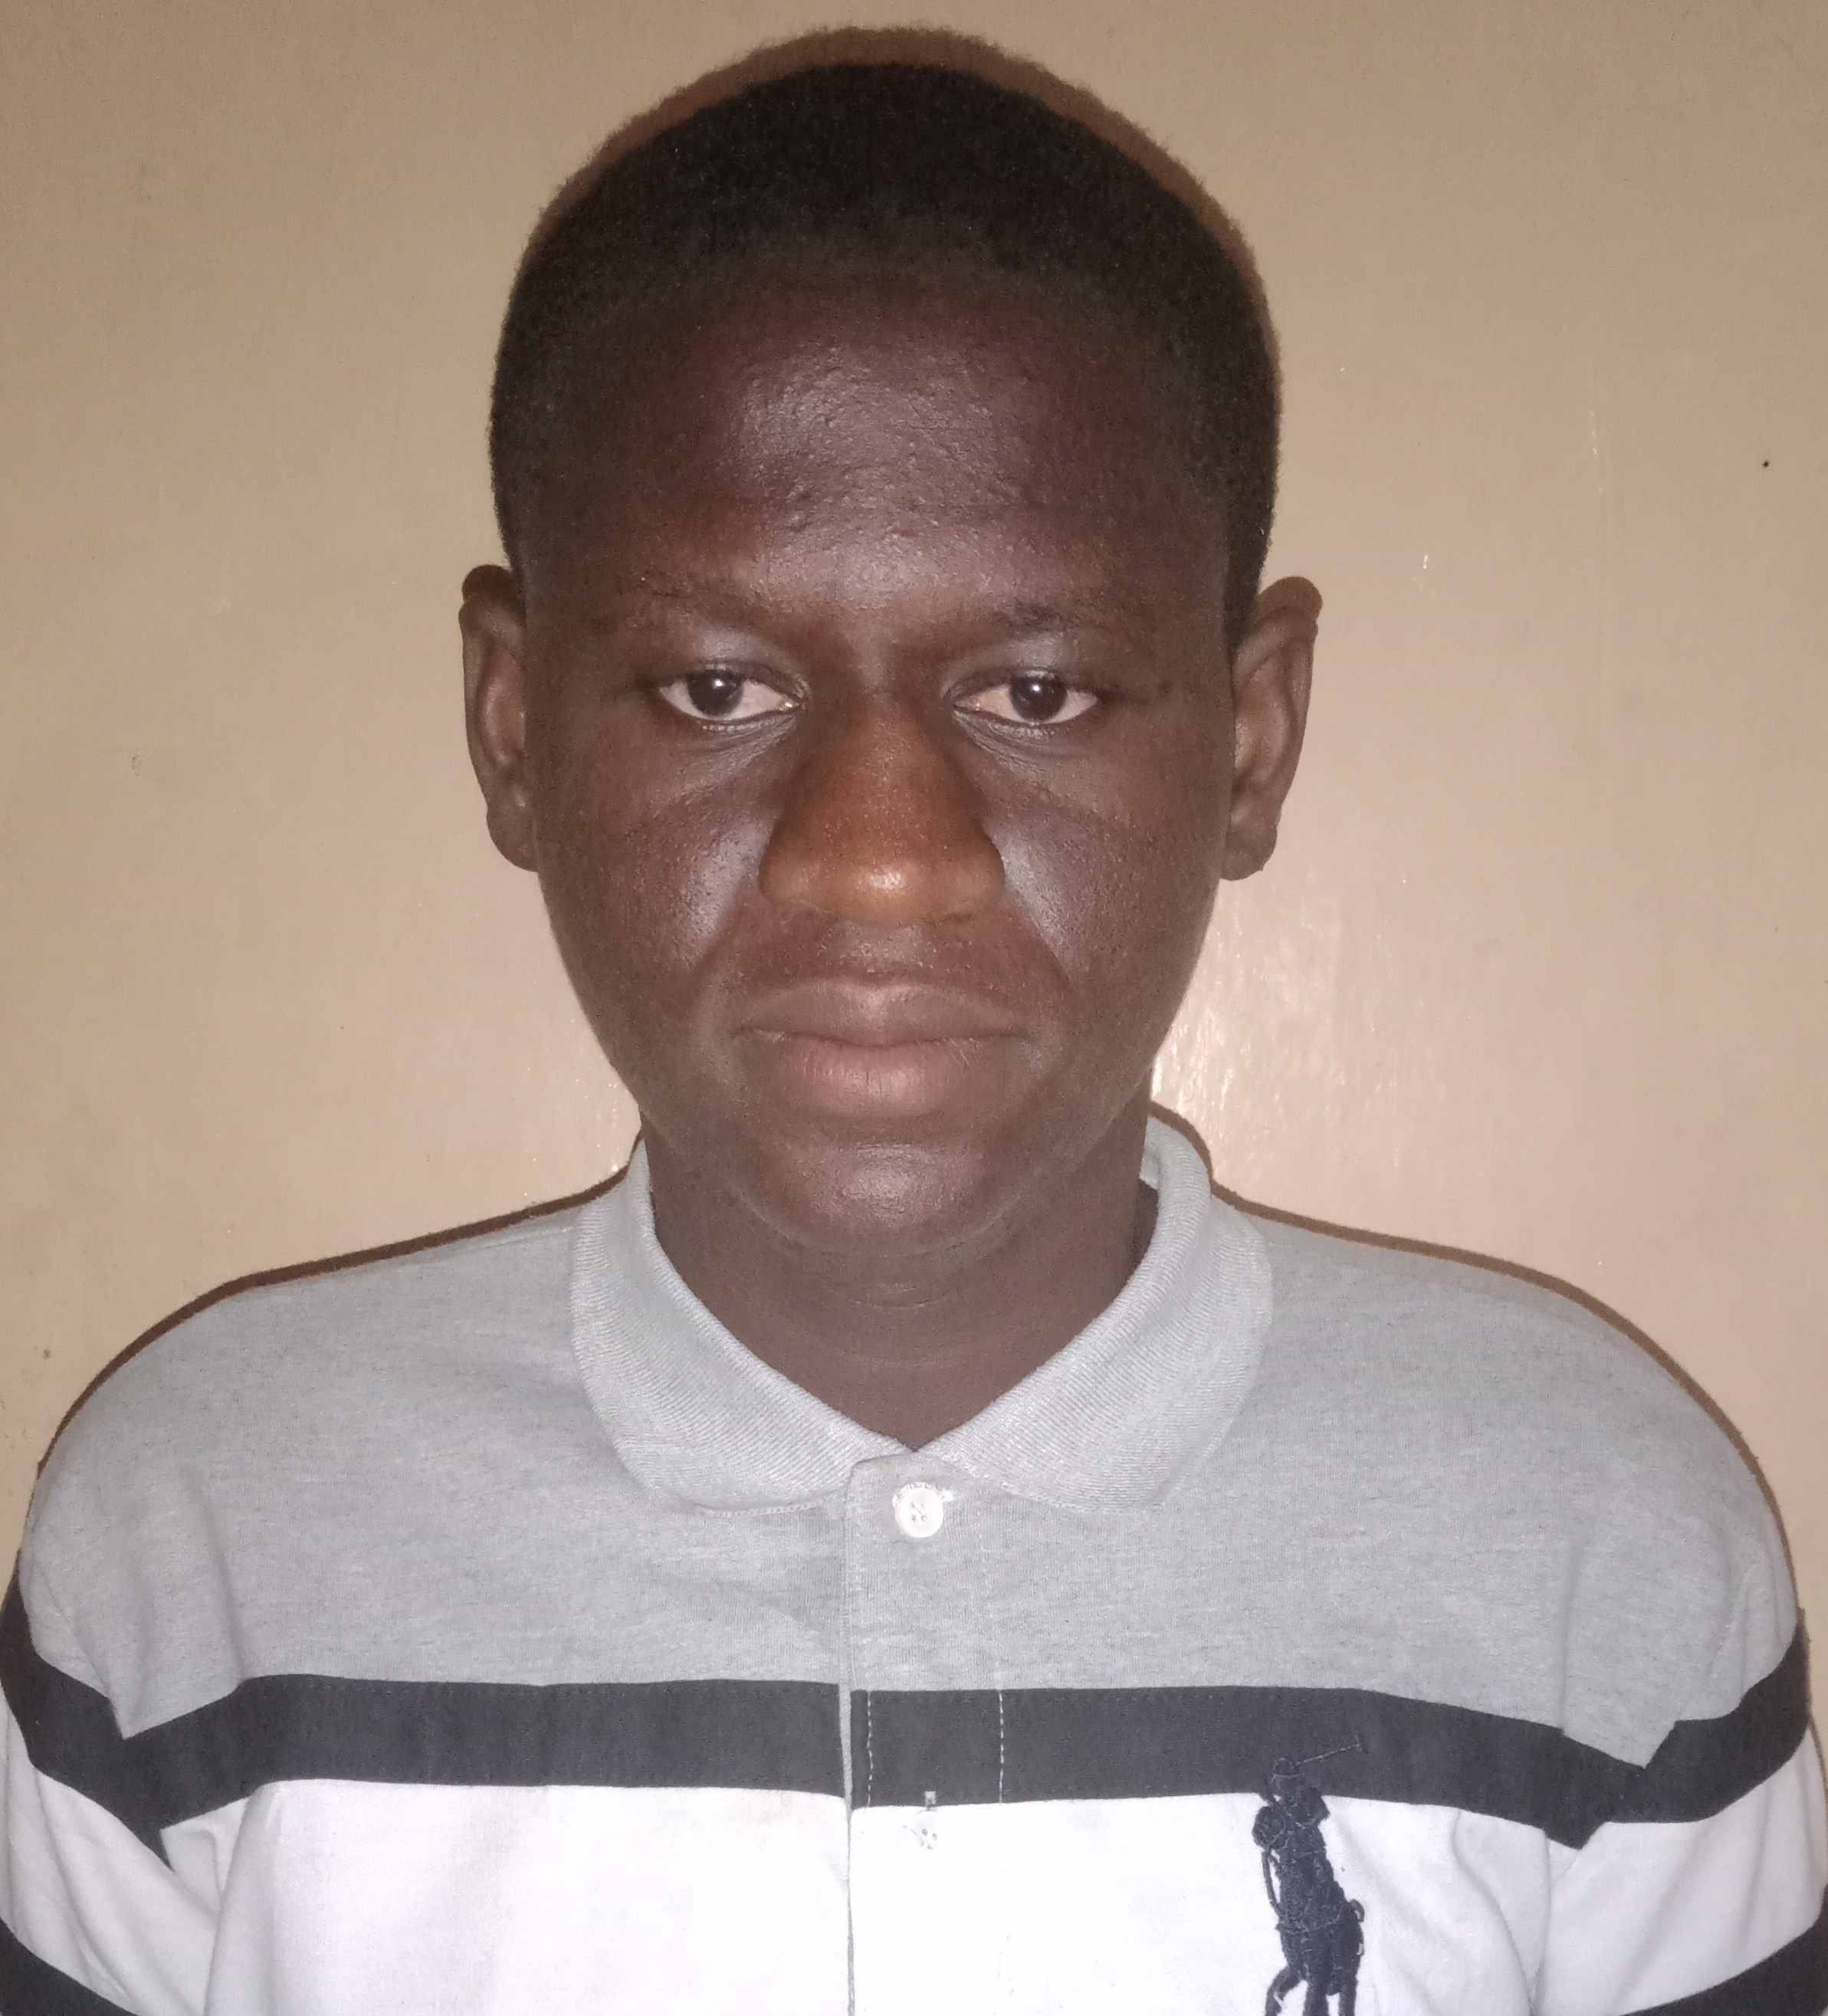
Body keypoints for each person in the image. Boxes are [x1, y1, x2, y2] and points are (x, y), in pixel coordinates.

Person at [2, 43, 1821, 2016]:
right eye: (715, 688)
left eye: (1036, 692)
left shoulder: (1582, 1539)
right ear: (513, 731)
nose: (878, 862)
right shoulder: (201, 1537)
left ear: (1250, 737)